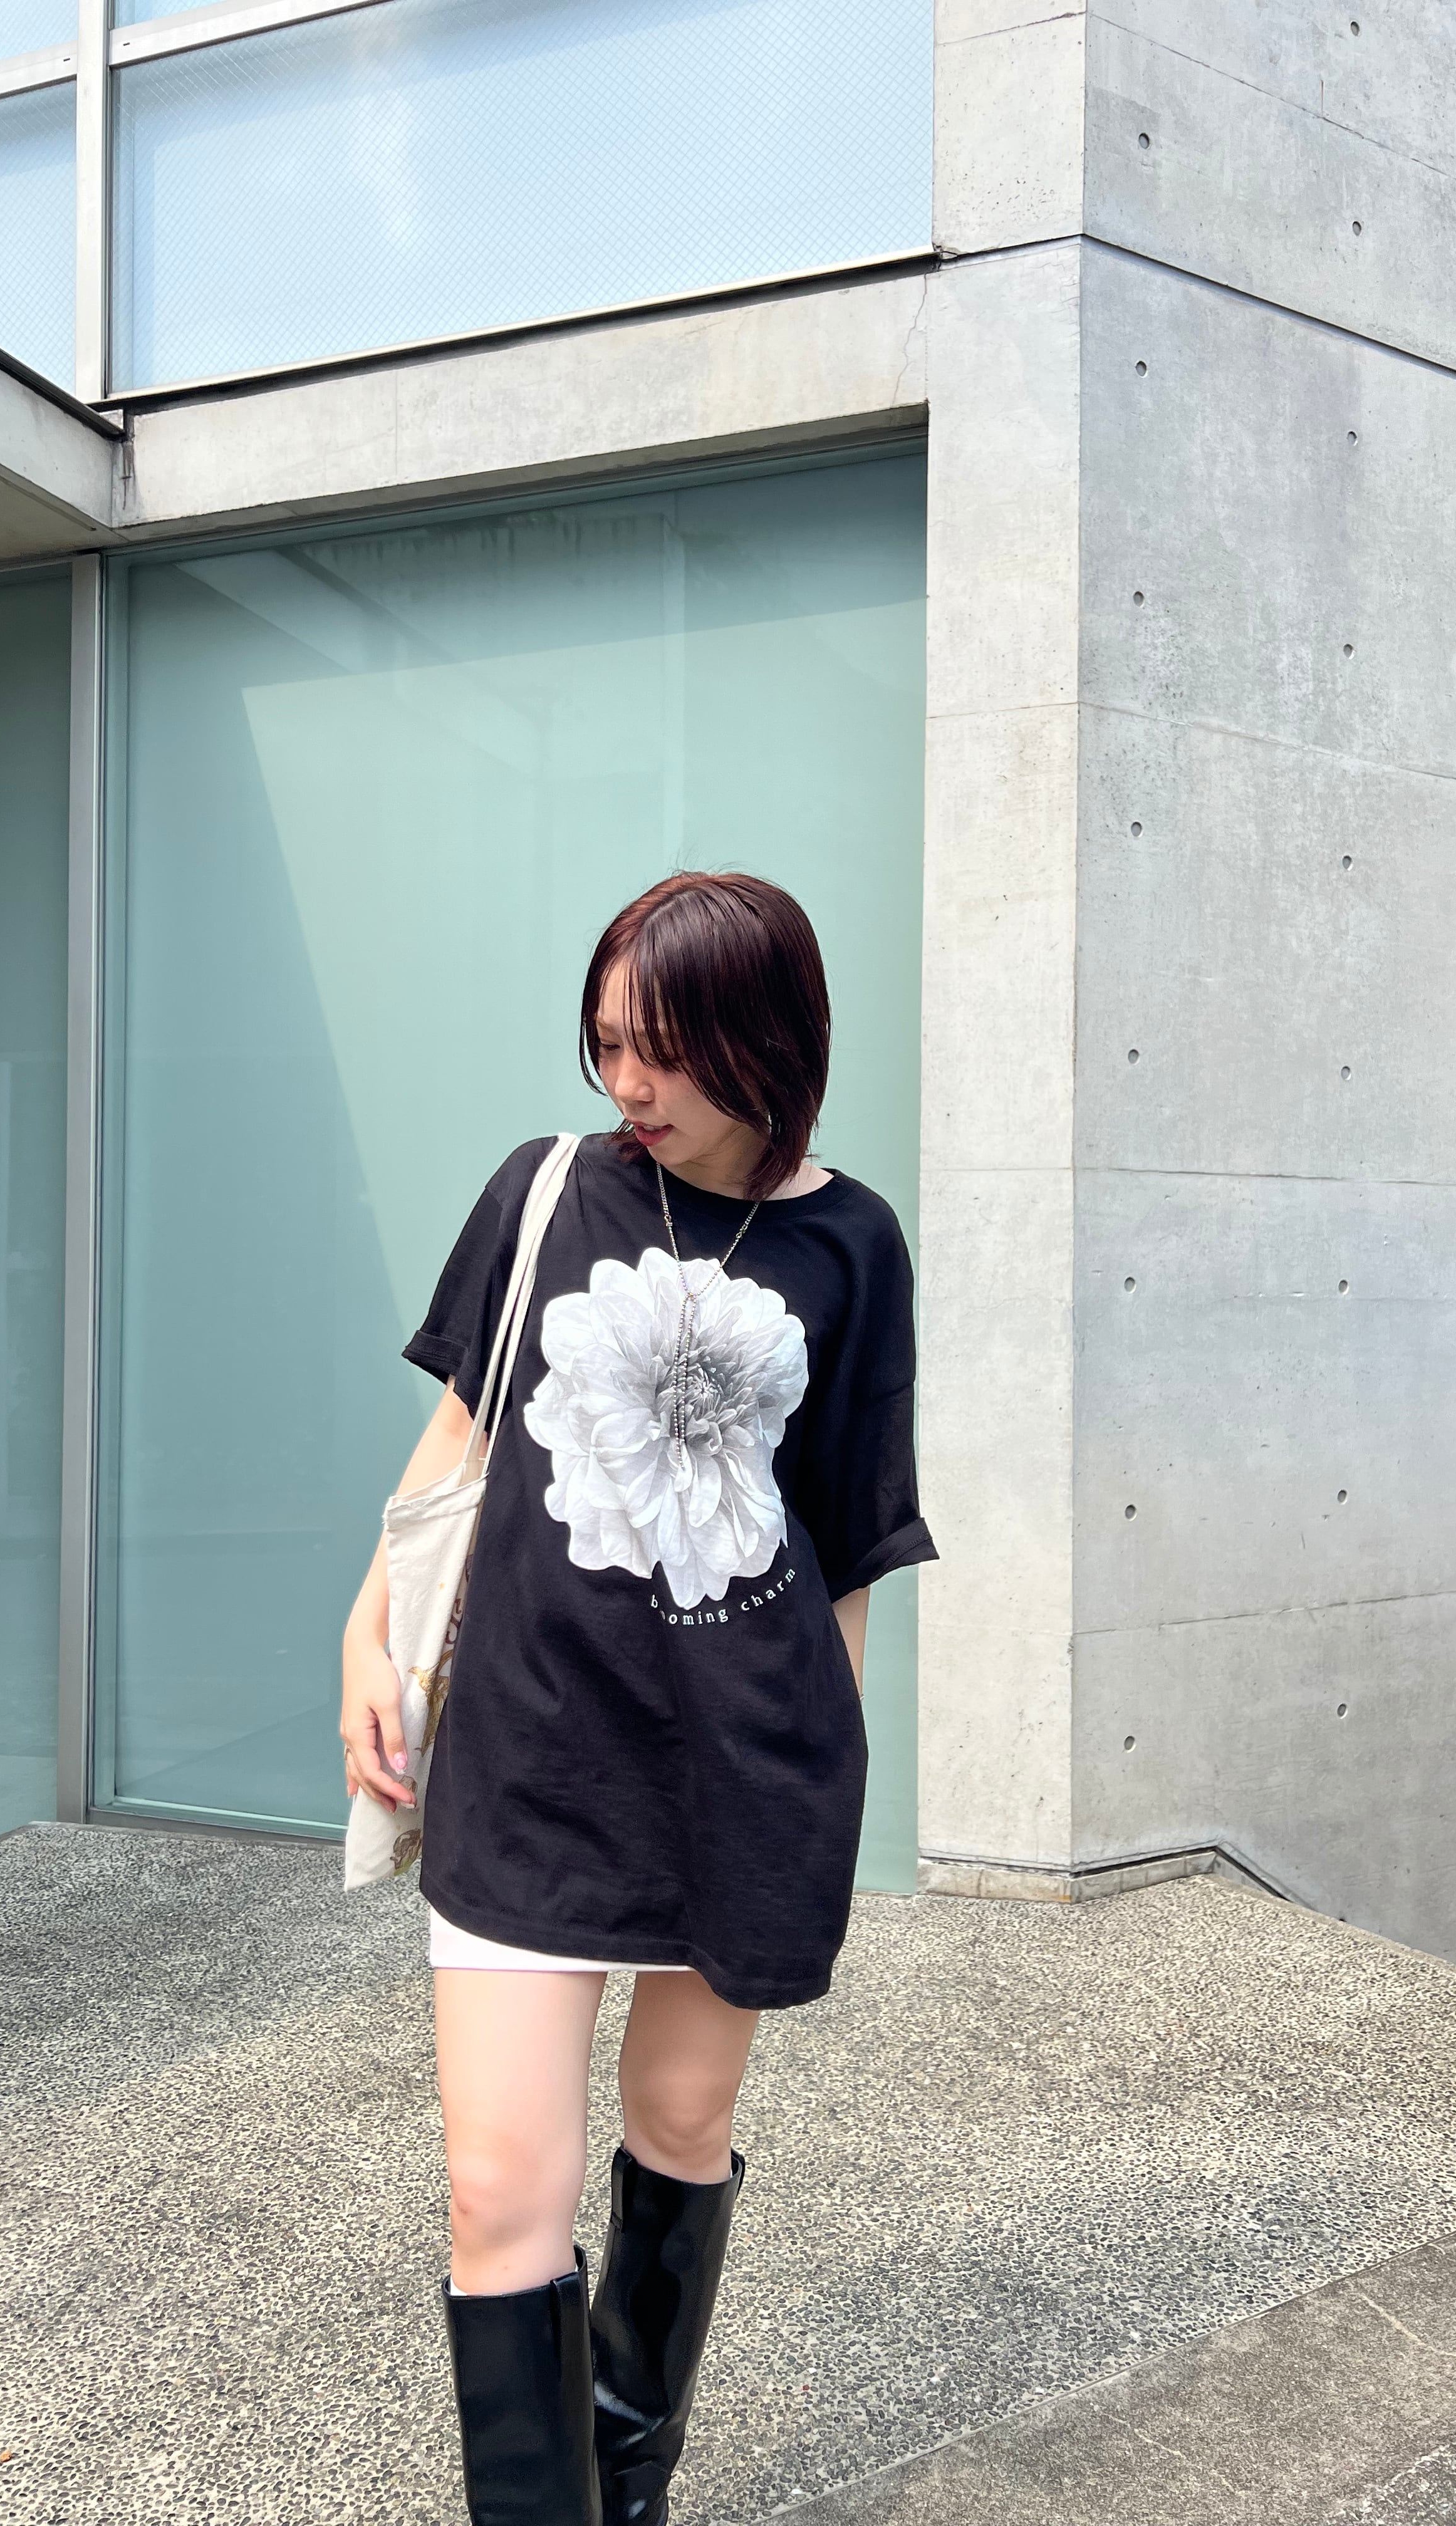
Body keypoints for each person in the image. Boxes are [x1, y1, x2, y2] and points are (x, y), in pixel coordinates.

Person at [340, 870, 936, 2524]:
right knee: (494, 2189)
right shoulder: (545, 1192)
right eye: (608, 1043)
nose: (630, 1084)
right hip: (531, 1754)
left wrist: (822, 1787)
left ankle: (627, 2489)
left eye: (665, 1051)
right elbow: (456, 1439)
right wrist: (363, 1637)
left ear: (769, 1043)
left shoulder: (853, 1243)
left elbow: (850, 1546)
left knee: (681, 2115)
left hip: (741, 1765)